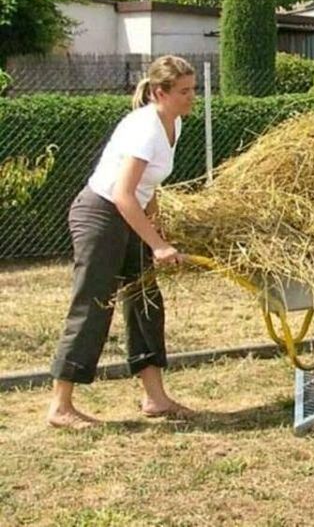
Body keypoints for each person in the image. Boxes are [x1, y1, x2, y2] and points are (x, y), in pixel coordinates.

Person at [47, 55, 197, 429]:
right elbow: (123, 192)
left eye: (192, 89)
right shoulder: (144, 127)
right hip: (100, 215)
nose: (191, 97)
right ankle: (60, 405)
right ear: (160, 92)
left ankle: (155, 397)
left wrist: (157, 230)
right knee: (94, 303)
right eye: (184, 91)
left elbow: (149, 187)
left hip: (128, 214)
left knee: (145, 299)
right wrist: (158, 246)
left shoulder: (172, 122)